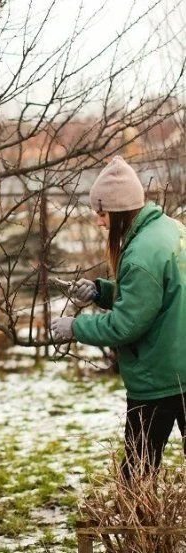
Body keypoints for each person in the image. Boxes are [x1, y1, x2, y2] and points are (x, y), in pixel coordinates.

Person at [51, 156, 186, 482]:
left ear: (121, 211)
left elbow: (128, 324)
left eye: (102, 213)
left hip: (159, 376)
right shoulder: (170, 229)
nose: (99, 222)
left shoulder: (141, 253)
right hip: (181, 366)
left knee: (138, 471)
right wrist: (101, 292)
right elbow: (159, 299)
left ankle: (135, 530)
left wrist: (75, 328)